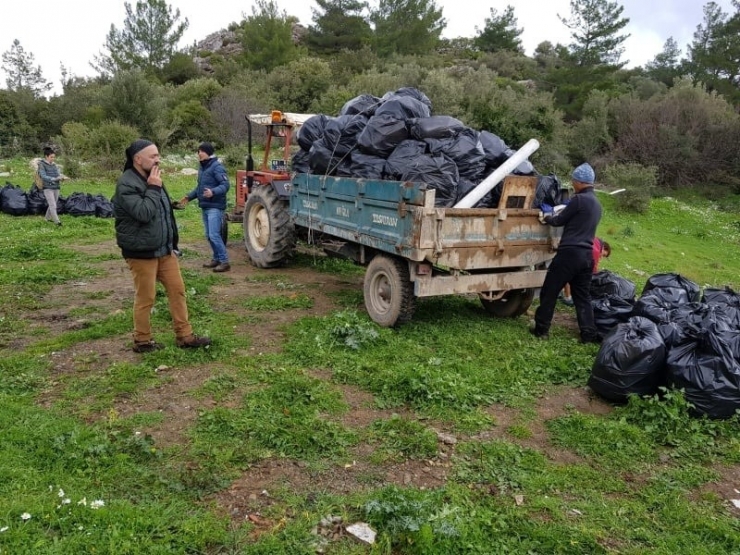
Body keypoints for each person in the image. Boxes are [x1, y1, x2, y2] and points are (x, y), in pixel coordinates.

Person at [112, 139, 212, 353]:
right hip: (141, 251)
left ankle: (185, 336)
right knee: (146, 297)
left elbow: (164, 213)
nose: (158, 159)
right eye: (153, 156)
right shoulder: (127, 183)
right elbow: (144, 213)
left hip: (164, 249)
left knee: (178, 291)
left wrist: (172, 243)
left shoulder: (153, 177)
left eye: (158, 155)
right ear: (137, 159)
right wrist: (153, 188)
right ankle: (142, 341)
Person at [531, 162, 603, 343]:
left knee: (550, 291)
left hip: (569, 254)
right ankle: (588, 334)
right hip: (587, 256)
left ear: (580, 182)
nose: (572, 184)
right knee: (582, 297)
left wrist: (547, 217)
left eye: (574, 181)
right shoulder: (597, 204)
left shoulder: (578, 200)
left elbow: (559, 220)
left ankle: (542, 330)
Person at [179, 142, 231, 272]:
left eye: (201, 151)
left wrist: (213, 192)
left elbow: (225, 185)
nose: (198, 153)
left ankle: (224, 262)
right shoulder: (203, 168)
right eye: (198, 151)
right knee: (209, 235)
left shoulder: (217, 167)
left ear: (207, 152)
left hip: (215, 206)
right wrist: (189, 197)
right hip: (205, 206)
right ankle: (216, 258)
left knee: (214, 234)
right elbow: (200, 188)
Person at [560, 237, 612, 305]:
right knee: (571, 274)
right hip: (574, 254)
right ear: (604, 248)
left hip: (569, 246)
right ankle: (568, 298)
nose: (601, 257)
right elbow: (593, 269)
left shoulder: (596, 240)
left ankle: (561, 292)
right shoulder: (596, 250)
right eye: (603, 255)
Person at [37, 147, 66, 226]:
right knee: (53, 205)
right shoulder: (42, 164)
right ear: (46, 156)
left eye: (54, 157)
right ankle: (57, 222)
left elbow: (57, 174)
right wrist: (54, 179)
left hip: (56, 187)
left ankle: (46, 218)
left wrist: (62, 177)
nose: (53, 158)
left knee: (52, 204)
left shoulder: (54, 165)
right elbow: (43, 176)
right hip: (47, 187)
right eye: (51, 157)